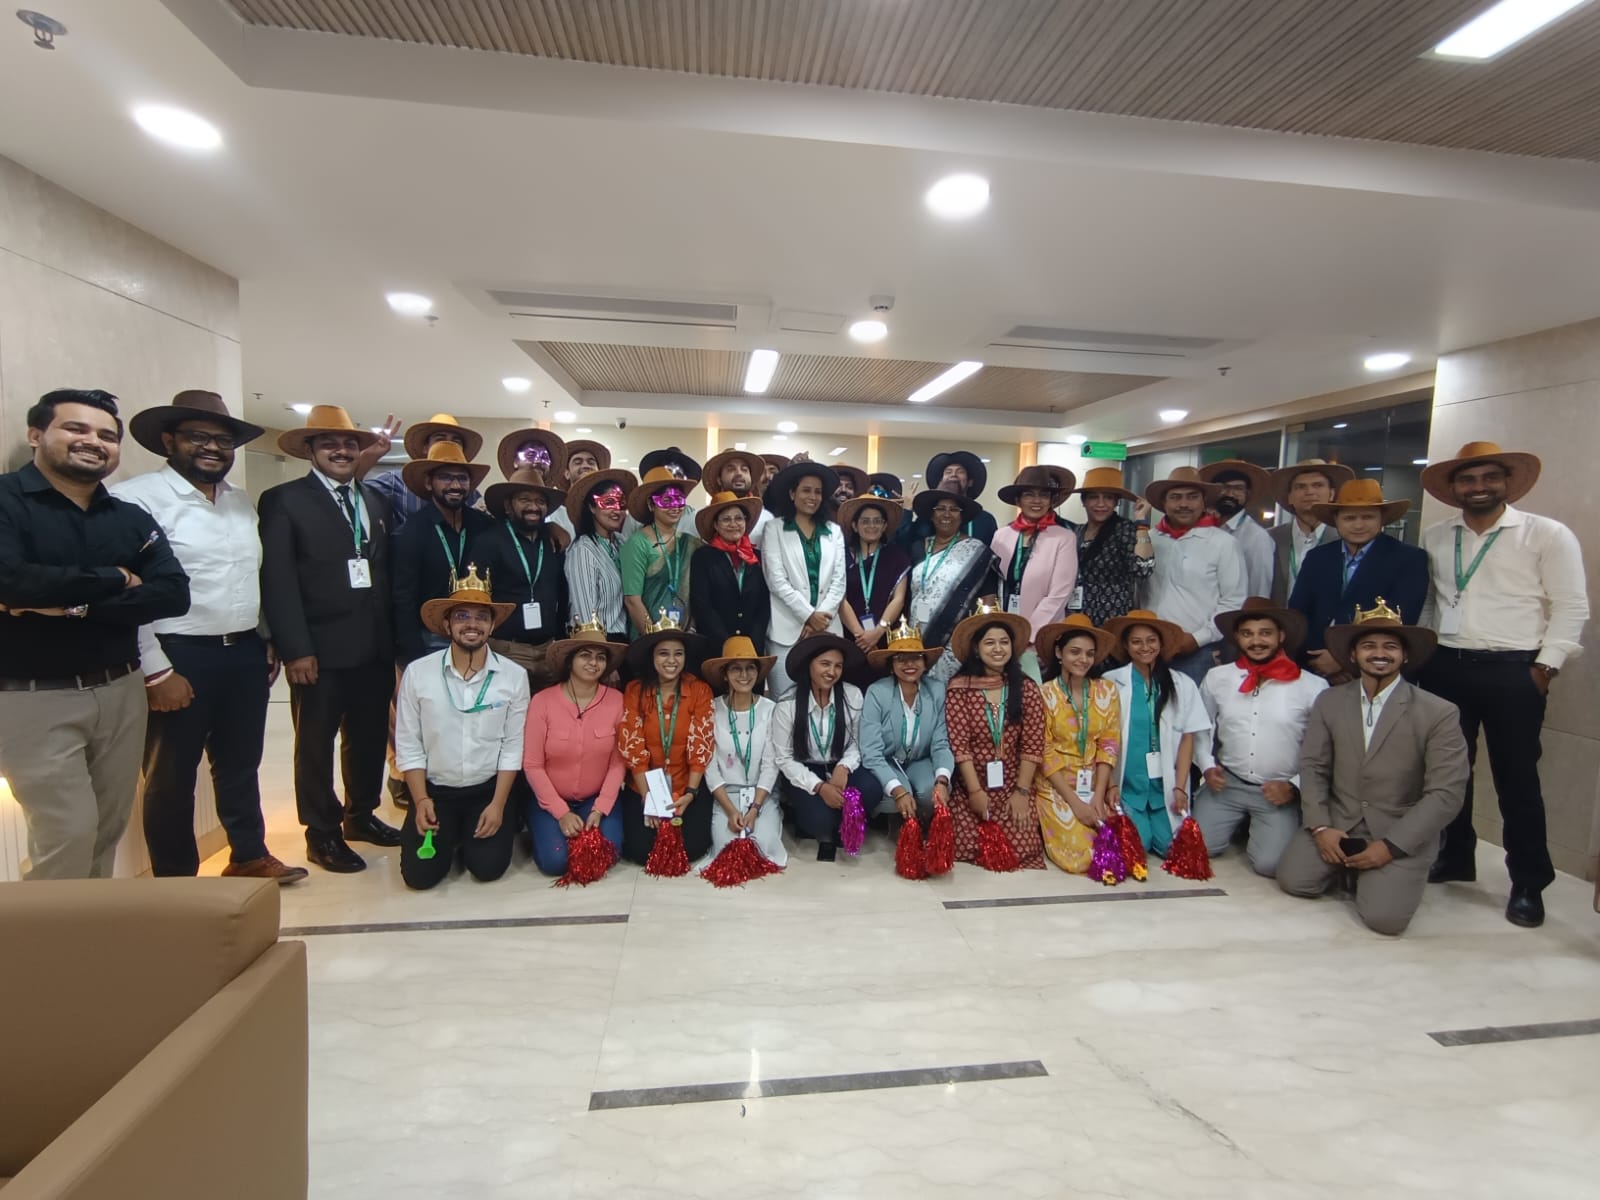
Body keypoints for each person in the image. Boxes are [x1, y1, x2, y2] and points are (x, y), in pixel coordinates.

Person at [112, 391, 304, 883]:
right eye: (198, 437)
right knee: (171, 777)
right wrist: (156, 669)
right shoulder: (136, 499)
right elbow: (130, 593)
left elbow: (252, 575)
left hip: (242, 651)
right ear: (168, 440)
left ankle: (248, 855)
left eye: (223, 440)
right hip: (177, 653)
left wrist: (264, 637)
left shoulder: (238, 501)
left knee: (241, 764)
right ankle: (177, 882)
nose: (213, 448)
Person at [0, 389, 190, 880]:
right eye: (76, 428)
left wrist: (70, 604)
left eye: (107, 435)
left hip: (120, 689)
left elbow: (173, 593)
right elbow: (11, 582)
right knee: (66, 833)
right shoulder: (6, 501)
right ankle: (48, 930)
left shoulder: (129, 517)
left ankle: (91, 922)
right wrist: (117, 577)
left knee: (106, 828)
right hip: (32, 696)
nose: (93, 441)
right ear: (36, 434)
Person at [1417, 442, 1587, 928]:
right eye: (1468, 479)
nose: (1479, 487)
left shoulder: (1546, 534)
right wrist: (1425, 655)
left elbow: (1571, 606)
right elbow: (1431, 602)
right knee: (1449, 772)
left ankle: (1529, 882)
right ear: (1454, 488)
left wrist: (1545, 667)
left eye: (1489, 478)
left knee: (1517, 780)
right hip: (1446, 664)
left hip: (1515, 669)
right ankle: (1455, 854)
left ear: (1507, 483)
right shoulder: (1436, 535)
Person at [259, 405, 401, 873]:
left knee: (368, 738)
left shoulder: (373, 500)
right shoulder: (285, 500)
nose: (341, 451)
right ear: (310, 451)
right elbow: (278, 580)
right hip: (318, 651)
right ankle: (321, 833)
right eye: (329, 444)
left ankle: (360, 816)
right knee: (315, 746)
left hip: (374, 647)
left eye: (348, 444)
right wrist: (295, 648)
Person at [1277, 599, 1469, 936]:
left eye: (1390, 647)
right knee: (1295, 881)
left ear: (1405, 656)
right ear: (1353, 655)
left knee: (1385, 921)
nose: (1379, 653)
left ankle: (1378, 873)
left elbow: (1445, 794)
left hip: (1396, 828)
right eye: (1369, 646)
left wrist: (1390, 847)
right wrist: (1321, 827)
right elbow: (1313, 766)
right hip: (1339, 820)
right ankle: (1352, 868)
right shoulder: (1330, 700)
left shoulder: (1439, 712)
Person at [395, 568, 528, 889]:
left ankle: (468, 833)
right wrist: (421, 800)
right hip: (436, 792)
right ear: (447, 624)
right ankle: (450, 834)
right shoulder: (418, 674)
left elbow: (512, 748)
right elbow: (408, 744)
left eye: (481, 617)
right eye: (462, 616)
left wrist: (498, 805)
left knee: (487, 868)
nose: (472, 624)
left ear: (492, 626)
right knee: (420, 877)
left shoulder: (514, 676)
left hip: (487, 790)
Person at [1196, 598, 1328, 876]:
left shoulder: (1312, 686)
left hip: (1278, 791)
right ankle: (1235, 820)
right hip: (1228, 783)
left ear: (1281, 636)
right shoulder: (1218, 678)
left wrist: (1294, 786)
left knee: (1270, 865)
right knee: (1196, 848)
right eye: (1247, 634)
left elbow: (1323, 749)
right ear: (1237, 638)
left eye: (1265, 633)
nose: (1256, 641)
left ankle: (1260, 826)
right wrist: (1206, 766)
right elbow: (1201, 727)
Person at [944, 599, 1047, 868]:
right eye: (990, 643)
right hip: (971, 784)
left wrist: (1021, 792)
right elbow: (959, 746)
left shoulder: (1026, 688)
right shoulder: (959, 688)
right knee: (964, 846)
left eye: (1004, 642)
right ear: (976, 649)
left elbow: (1033, 745)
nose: (998, 649)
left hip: (1014, 783)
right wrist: (975, 792)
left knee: (1021, 849)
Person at [1289, 480, 1427, 678]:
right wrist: (1317, 659)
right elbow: (1298, 613)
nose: (1358, 525)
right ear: (1336, 520)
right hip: (1315, 666)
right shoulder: (1317, 557)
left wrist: (1343, 659)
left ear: (1382, 519)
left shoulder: (1409, 559)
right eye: (1349, 518)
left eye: (1368, 517)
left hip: (1374, 669)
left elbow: (1402, 619)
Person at [522, 617, 627, 876]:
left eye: (600, 657)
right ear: (570, 660)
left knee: (607, 853)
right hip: (550, 798)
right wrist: (561, 813)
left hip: (596, 797)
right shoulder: (542, 702)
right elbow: (532, 765)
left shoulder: (617, 701)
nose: (593, 663)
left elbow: (618, 762)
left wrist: (601, 808)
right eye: (585, 655)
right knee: (555, 863)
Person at [1103, 610, 1212, 856]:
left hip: (1166, 786)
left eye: (1151, 640)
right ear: (1126, 646)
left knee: (1172, 849)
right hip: (1127, 785)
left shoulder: (1182, 683)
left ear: (1161, 644)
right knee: (1136, 847)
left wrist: (1180, 788)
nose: (1145, 647)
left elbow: (1188, 738)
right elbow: (1102, 740)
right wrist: (1110, 785)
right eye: (1136, 641)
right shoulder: (1111, 682)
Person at [770, 634, 880, 860]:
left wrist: (843, 767)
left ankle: (845, 821)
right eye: (825, 664)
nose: (832, 672)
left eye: (838, 666)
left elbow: (856, 742)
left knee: (871, 790)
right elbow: (784, 758)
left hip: (840, 763)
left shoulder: (852, 695)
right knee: (818, 821)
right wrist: (820, 787)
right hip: (806, 768)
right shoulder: (788, 703)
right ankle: (821, 818)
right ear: (809, 665)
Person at [617, 615, 715, 864]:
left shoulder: (700, 690)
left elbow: (701, 745)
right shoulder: (634, 690)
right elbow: (633, 747)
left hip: (687, 784)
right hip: (644, 786)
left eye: (678, 654)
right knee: (641, 851)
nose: (671, 660)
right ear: (652, 657)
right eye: (663, 653)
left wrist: (690, 793)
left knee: (692, 849)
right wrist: (648, 797)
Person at [390, 439, 493, 667]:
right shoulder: (411, 532)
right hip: (431, 639)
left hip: (479, 634)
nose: (455, 485)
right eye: (446, 478)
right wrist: (412, 656)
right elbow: (403, 599)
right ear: (429, 483)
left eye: (462, 478)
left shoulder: (484, 525)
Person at [1144, 466, 1248, 684]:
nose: (1184, 504)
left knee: (1195, 706)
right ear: (1164, 503)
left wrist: (1197, 639)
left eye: (1192, 497)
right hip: (1148, 648)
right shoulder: (1148, 540)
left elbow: (1233, 602)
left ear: (1204, 502)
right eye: (1175, 497)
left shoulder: (1223, 543)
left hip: (1199, 652)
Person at [1034, 616, 1121, 874]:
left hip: (1094, 783)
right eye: (1075, 652)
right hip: (1055, 784)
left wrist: (1099, 794)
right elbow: (1044, 751)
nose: (1083, 659)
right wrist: (1074, 803)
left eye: (1089, 654)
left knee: (1121, 846)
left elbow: (1109, 744)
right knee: (1083, 858)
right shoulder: (1044, 693)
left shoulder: (1107, 691)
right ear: (1059, 653)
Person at [476, 465, 570, 690]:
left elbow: (562, 591)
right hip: (507, 650)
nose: (533, 507)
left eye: (540, 501)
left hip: (548, 649)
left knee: (547, 712)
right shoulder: (489, 541)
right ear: (509, 505)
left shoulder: (552, 541)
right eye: (524, 500)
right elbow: (477, 598)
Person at [760, 460, 847, 699]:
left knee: (824, 699)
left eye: (818, 492)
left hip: (827, 628)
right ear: (792, 493)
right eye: (806, 490)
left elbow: (839, 581)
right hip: (786, 631)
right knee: (784, 700)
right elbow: (776, 580)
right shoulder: (774, 528)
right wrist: (808, 615)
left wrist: (821, 618)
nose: (813, 497)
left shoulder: (834, 531)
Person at [700, 636, 787, 868]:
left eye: (750, 668)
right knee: (727, 853)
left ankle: (771, 816)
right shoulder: (711, 709)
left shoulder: (770, 710)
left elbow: (771, 765)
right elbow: (709, 767)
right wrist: (730, 810)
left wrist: (755, 808)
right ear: (725, 674)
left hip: (761, 797)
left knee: (762, 848)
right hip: (725, 797)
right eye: (736, 669)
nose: (744, 675)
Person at [859, 620, 953, 828]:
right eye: (900, 658)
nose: (909, 664)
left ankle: (924, 822)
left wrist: (942, 781)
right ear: (891, 666)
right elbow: (871, 751)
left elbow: (941, 744)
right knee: (895, 796)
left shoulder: (937, 691)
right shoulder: (877, 692)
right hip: (887, 761)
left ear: (925, 663)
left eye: (916, 657)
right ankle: (893, 822)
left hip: (920, 760)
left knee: (930, 792)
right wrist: (898, 790)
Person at [905, 487, 999, 682]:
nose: (947, 514)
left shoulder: (977, 552)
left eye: (954, 509)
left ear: (961, 517)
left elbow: (988, 600)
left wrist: (979, 637)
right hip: (915, 636)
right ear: (932, 515)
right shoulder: (917, 548)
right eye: (940, 509)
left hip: (957, 642)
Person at [991, 467, 1078, 658]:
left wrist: (1029, 634)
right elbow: (992, 583)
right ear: (1018, 500)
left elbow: (1059, 593)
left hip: (1041, 634)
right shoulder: (1001, 535)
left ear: (1051, 500)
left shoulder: (1064, 537)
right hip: (1001, 632)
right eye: (1029, 494)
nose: (1036, 501)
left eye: (1043, 495)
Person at [359, 412, 484, 532]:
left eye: (455, 442)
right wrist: (367, 458)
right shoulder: (394, 481)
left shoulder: (469, 491)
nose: (448, 445)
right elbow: (354, 496)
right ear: (425, 447)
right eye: (440, 439)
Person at [621, 468, 701, 639]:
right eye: (666, 500)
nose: (674, 506)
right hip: (646, 638)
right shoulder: (637, 543)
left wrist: (690, 632)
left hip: (684, 637)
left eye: (679, 499)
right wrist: (654, 640)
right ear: (651, 505)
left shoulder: (691, 543)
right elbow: (632, 600)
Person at [1069, 467, 1154, 626]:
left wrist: (1141, 522)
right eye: (1093, 497)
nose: (1101, 504)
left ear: (1116, 502)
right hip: (1078, 616)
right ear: (1083, 501)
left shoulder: (1124, 529)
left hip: (1113, 618)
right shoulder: (1077, 531)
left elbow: (1143, 569)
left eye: (1108, 497)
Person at [689, 492, 770, 653]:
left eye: (739, 518)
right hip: (715, 646)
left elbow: (764, 605)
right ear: (716, 525)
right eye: (726, 519)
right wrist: (727, 643)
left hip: (752, 648)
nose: (733, 524)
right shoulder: (703, 557)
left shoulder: (757, 557)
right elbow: (702, 605)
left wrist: (752, 642)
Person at [564, 468, 638, 639]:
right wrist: (598, 648)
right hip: (597, 640)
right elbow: (585, 613)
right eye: (609, 502)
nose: (617, 510)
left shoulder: (622, 543)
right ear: (591, 507)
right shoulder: (583, 550)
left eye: (622, 504)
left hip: (624, 638)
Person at [1268, 459, 1353, 605]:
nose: (1309, 492)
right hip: (1279, 617)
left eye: (1318, 485)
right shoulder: (1270, 538)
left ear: (1332, 494)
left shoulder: (1347, 539)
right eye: (1300, 487)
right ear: (1289, 497)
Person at [838, 494, 910, 662]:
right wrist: (861, 636)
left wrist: (878, 632)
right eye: (865, 521)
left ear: (884, 526)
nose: (872, 525)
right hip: (850, 636)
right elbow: (840, 599)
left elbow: (898, 599)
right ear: (855, 526)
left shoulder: (897, 557)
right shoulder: (841, 557)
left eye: (877, 521)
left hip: (885, 635)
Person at [1199, 460, 1275, 599]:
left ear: (1248, 494)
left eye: (1238, 488)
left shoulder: (1256, 537)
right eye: (1223, 488)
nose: (1230, 494)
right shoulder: (1202, 528)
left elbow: (1259, 590)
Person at [548, 437, 640, 541]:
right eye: (578, 462)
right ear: (567, 473)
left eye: (591, 463)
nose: (586, 466)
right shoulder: (556, 512)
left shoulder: (618, 514)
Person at [900, 450, 999, 546]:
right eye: (948, 472)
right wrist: (907, 511)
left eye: (960, 472)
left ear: (970, 482)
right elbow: (904, 545)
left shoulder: (985, 520)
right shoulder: (928, 516)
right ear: (941, 481)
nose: (953, 475)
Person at [701, 448, 772, 537]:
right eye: (731, 469)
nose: (739, 473)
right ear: (719, 480)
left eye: (744, 470)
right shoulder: (706, 520)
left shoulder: (767, 518)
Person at [639, 445, 702, 529]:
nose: (673, 478)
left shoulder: (693, 518)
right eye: (666, 500)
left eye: (678, 474)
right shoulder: (639, 520)